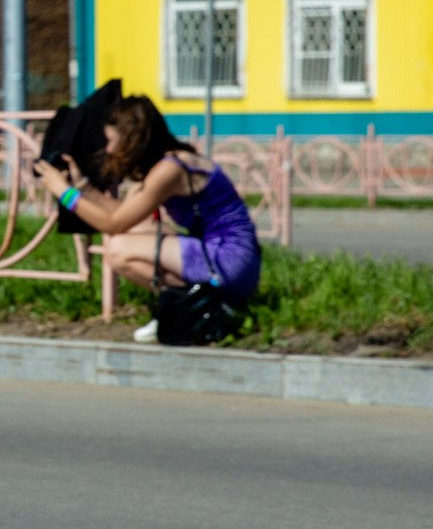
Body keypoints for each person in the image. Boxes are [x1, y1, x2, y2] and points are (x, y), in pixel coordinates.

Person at [31, 93, 262, 342]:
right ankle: (183, 307)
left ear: (132, 139)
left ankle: (202, 306)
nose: (108, 149)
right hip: (224, 256)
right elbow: (121, 213)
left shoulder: (170, 170)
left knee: (117, 249)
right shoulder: (168, 162)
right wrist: (81, 186)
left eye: (111, 141)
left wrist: (63, 194)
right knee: (134, 231)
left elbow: (113, 224)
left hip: (229, 261)